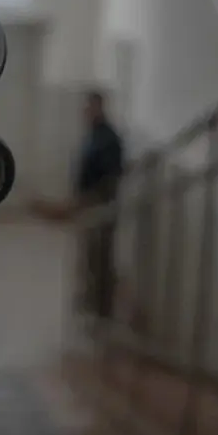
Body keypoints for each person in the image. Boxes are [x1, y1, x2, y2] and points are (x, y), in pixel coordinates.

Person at [73, 90, 125, 323]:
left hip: (100, 202)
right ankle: (91, 303)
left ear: (99, 107)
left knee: (100, 257)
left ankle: (102, 309)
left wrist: (96, 199)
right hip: (89, 202)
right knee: (90, 256)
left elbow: (111, 174)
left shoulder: (108, 138)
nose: (86, 111)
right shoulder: (93, 134)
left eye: (89, 106)